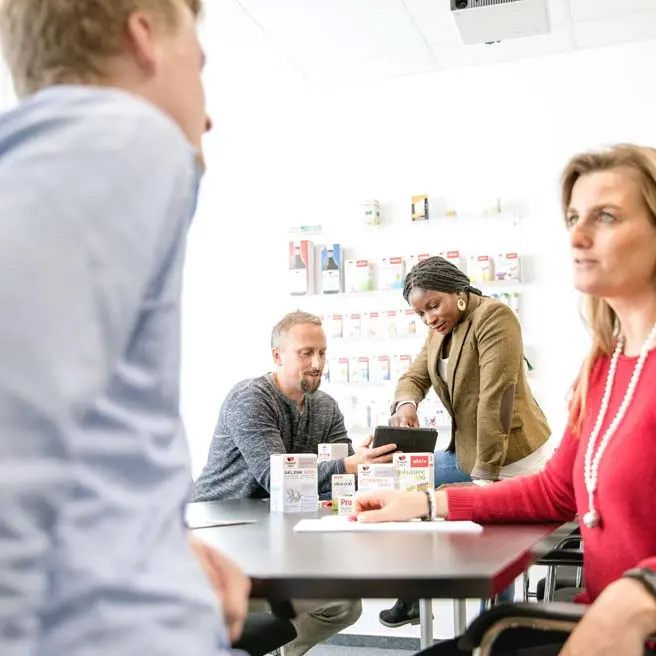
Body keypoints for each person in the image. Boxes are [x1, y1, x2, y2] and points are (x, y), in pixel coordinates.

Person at [0, 1, 249, 654]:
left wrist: (158, 547)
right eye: (199, 65)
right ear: (144, 39)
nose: (210, 113)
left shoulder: (55, 163)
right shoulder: (121, 133)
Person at [354, 143, 656, 655]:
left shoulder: (493, 318)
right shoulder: (605, 364)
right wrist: (424, 503)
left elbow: (496, 400)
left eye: (605, 216)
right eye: (573, 217)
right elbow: (554, 494)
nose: (578, 236)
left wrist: (639, 593)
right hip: (586, 620)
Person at [191, 311, 387, 655]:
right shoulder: (250, 398)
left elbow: (341, 476)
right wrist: (347, 466)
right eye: (306, 352)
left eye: (322, 353)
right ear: (277, 356)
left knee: (344, 604)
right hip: (223, 530)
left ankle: (282, 649)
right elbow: (274, 477)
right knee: (245, 618)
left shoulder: (325, 406)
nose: (317, 363)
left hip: (280, 530)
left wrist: (365, 464)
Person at [380, 256, 552, 628]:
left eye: (433, 306)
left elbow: (497, 399)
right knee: (408, 488)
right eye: (420, 313)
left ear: (458, 292)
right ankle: (413, 593)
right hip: (468, 448)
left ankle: (493, 627)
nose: (428, 317)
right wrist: (407, 403)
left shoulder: (495, 317)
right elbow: (414, 376)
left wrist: (485, 481)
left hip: (511, 452)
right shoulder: (439, 328)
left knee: (492, 541)